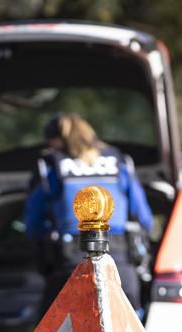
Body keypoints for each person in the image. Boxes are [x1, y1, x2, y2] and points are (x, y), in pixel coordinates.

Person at [23, 112, 153, 313]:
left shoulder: (50, 166)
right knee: (128, 330)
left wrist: (44, 247)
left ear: (56, 140)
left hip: (71, 261)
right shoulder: (118, 160)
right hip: (120, 258)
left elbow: (33, 223)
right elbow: (143, 216)